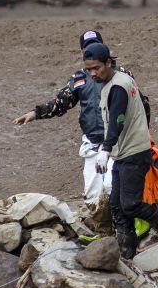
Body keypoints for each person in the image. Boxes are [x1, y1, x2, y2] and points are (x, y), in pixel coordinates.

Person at [83, 42, 158, 259]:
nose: (93, 73)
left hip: (134, 153)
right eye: (88, 69)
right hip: (124, 153)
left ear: (108, 63)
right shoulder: (114, 82)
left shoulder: (118, 87)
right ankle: (127, 252)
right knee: (116, 206)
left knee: (130, 204)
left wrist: (105, 149)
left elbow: (117, 119)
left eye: (97, 68)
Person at [13, 30, 108, 204]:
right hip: (93, 143)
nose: (91, 50)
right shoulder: (79, 79)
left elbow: (138, 104)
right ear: (82, 52)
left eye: (95, 45)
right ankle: (103, 229)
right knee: (93, 196)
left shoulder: (120, 75)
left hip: (119, 142)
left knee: (117, 190)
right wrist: (36, 113)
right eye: (87, 48)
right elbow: (61, 103)